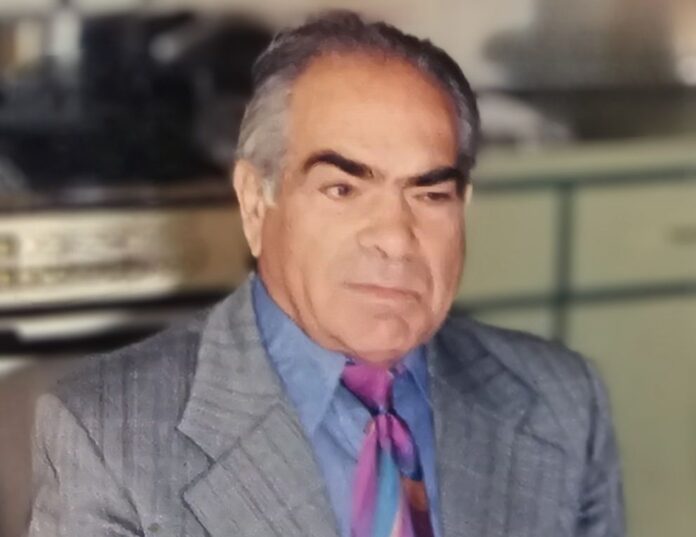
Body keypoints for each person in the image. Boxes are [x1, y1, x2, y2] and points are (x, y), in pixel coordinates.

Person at [28, 11, 624, 537]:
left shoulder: (562, 403)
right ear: (255, 202)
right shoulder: (109, 436)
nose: (395, 237)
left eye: (430, 194)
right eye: (342, 189)